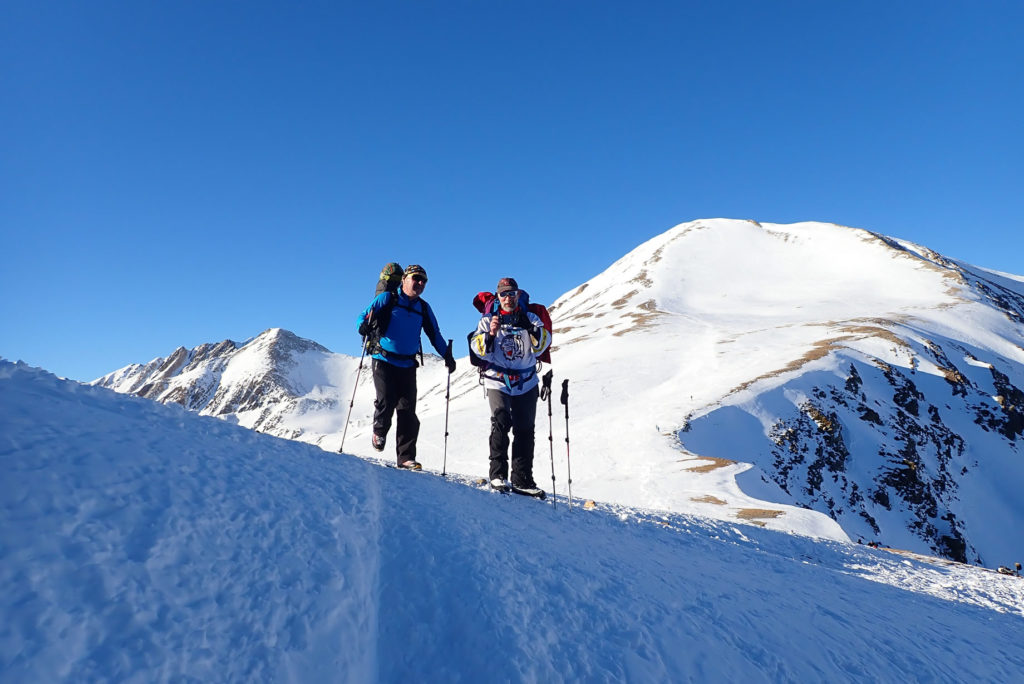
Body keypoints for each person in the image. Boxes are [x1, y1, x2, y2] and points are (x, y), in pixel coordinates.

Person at [358, 264, 455, 469]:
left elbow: (434, 334)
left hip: (408, 364)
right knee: (386, 400)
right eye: (416, 278)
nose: (419, 283)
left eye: (423, 281)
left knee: (408, 411)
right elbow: (363, 315)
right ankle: (379, 431)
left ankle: (405, 457)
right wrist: (363, 325)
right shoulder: (388, 298)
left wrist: (446, 355)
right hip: (383, 359)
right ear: (404, 279)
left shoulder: (424, 308)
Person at [469, 277, 552, 494]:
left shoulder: (531, 318)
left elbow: (544, 343)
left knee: (525, 429)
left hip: (526, 381)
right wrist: (490, 334)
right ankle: (497, 474)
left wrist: (530, 328)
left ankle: (522, 479)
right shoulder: (488, 320)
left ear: (518, 295)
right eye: (503, 294)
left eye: (511, 293)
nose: (508, 297)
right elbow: (478, 349)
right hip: (497, 379)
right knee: (501, 420)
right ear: (498, 297)